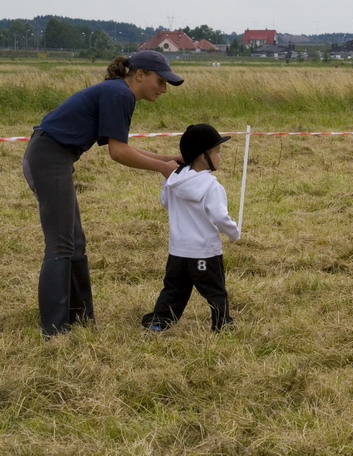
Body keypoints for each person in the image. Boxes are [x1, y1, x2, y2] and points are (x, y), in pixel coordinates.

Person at [22, 50, 184, 337]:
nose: (163, 89)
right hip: (48, 158)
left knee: (75, 242)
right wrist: (162, 168)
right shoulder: (119, 94)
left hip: (52, 157)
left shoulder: (119, 92)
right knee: (61, 245)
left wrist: (165, 157)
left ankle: (81, 319)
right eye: (160, 81)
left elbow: (124, 146)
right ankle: (55, 331)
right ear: (140, 75)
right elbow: (118, 153)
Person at [142, 123, 240, 332]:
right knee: (215, 291)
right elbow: (220, 217)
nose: (220, 157)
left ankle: (159, 322)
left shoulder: (173, 181)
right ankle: (222, 324)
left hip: (177, 252)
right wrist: (234, 231)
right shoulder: (212, 186)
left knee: (174, 289)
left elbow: (165, 203)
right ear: (204, 156)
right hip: (205, 253)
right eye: (218, 152)